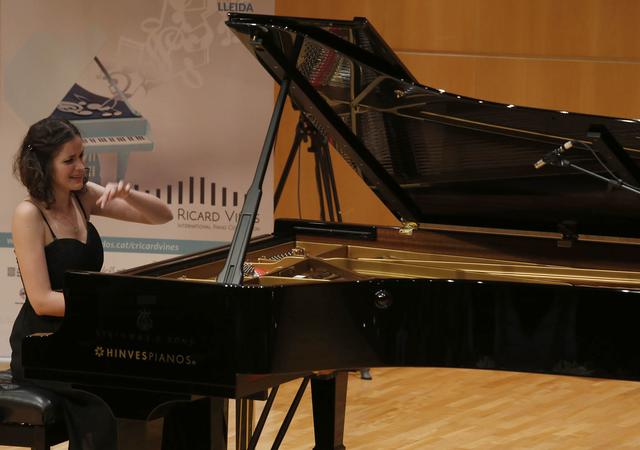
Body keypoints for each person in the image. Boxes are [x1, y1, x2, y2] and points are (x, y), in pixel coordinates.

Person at [9, 117, 173, 449]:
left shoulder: (82, 197)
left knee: (159, 384)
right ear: (43, 164)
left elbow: (162, 215)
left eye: (82, 156)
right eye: (69, 160)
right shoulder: (29, 214)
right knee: (107, 399)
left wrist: (130, 194)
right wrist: (108, 305)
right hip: (42, 345)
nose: (81, 167)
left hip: (84, 337)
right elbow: (42, 300)